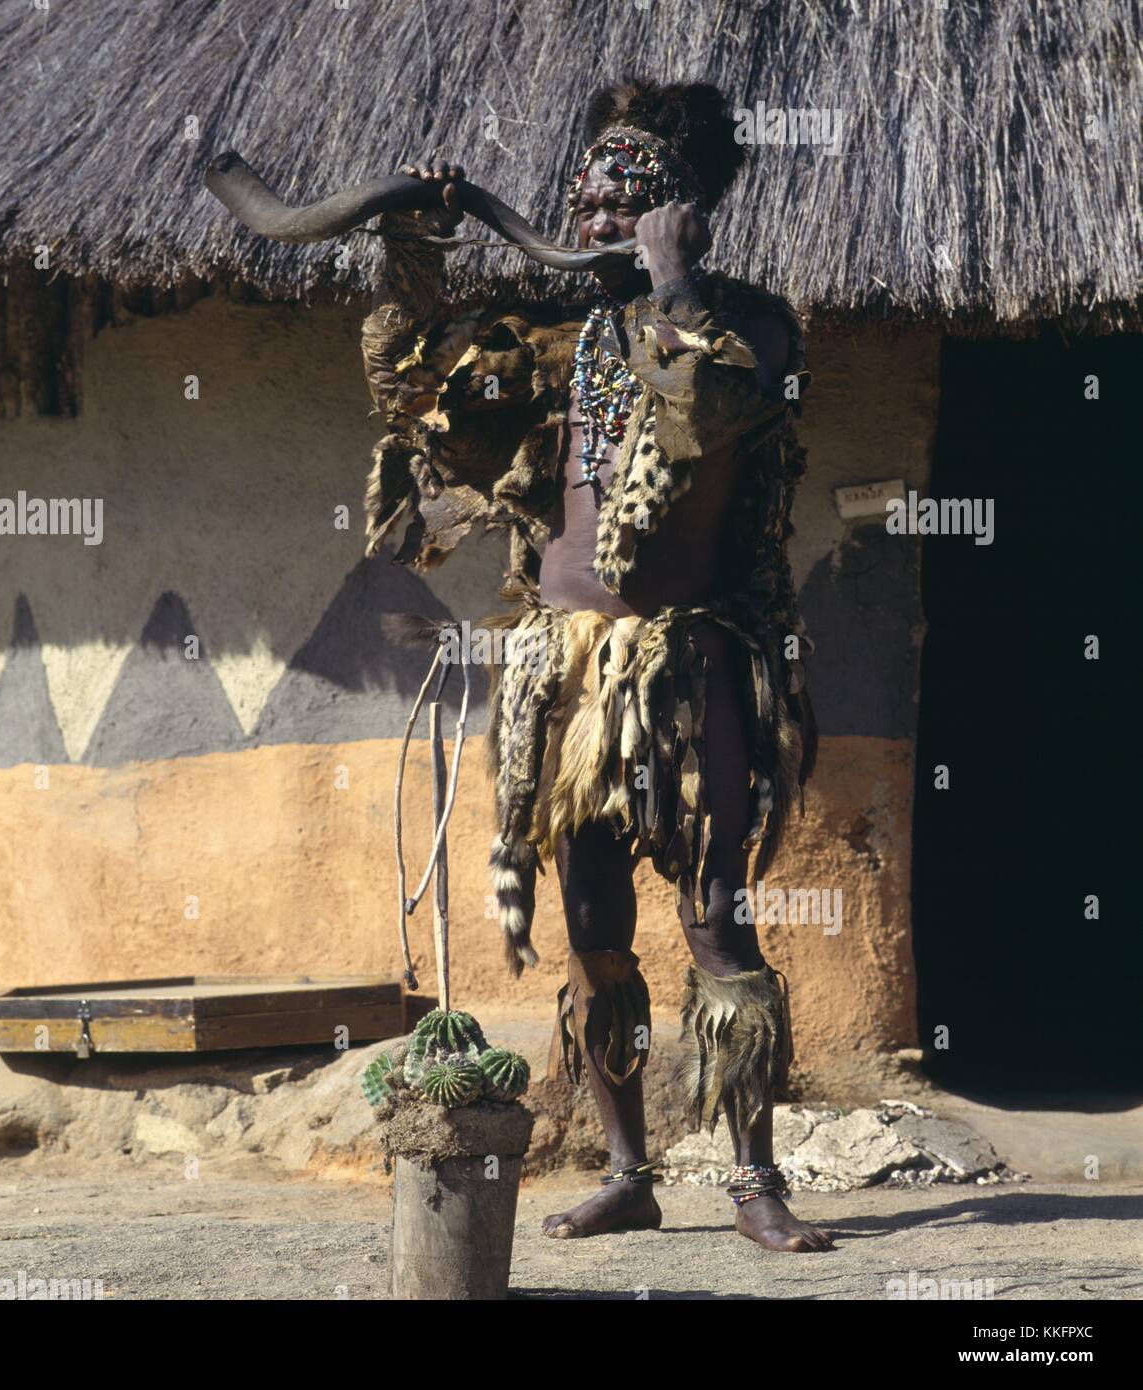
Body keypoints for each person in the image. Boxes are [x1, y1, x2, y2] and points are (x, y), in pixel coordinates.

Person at [360, 77, 829, 1251]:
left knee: (717, 921)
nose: (592, 221)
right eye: (584, 201)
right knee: (591, 924)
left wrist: (673, 287)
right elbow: (414, 383)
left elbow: (703, 414)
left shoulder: (749, 328)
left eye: (622, 203)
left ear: (676, 210)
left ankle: (754, 1181)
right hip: (563, 673)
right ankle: (629, 1170)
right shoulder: (551, 346)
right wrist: (416, 246)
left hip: (690, 664)